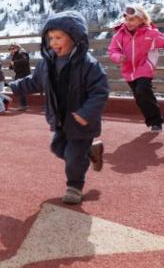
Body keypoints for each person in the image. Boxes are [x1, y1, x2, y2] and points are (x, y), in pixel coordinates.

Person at [10, 11, 108, 205]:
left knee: (73, 156)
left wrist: (86, 113)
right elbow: (34, 82)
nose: (53, 43)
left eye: (58, 38)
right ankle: (89, 152)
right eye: (50, 38)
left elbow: (100, 91)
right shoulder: (47, 63)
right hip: (60, 118)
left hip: (82, 122)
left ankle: (74, 186)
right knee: (57, 148)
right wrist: (12, 88)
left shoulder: (89, 65)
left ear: (74, 37)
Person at [108, 4, 164, 132]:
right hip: (128, 71)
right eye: (126, 19)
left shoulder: (150, 34)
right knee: (139, 97)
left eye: (132, 19)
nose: (128, 22)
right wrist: (118, 57)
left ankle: (156, 122)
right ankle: (151, 120)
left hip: (145, 67)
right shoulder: (119, 35)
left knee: (143, 90)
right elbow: (113, 50)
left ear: (142, 19)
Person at [8, 42, 31, 110]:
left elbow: (25, 61)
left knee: (20, 88)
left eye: (13, 48)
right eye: (10, 49)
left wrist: (14, 63)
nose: (11, 50)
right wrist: (11, 65)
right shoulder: (15, 55)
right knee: (19, 88)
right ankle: (23, 104)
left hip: (23, 74)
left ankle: (24, 105)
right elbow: (12, 65)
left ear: (17, 48)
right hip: (19, 74)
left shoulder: (22, 53)